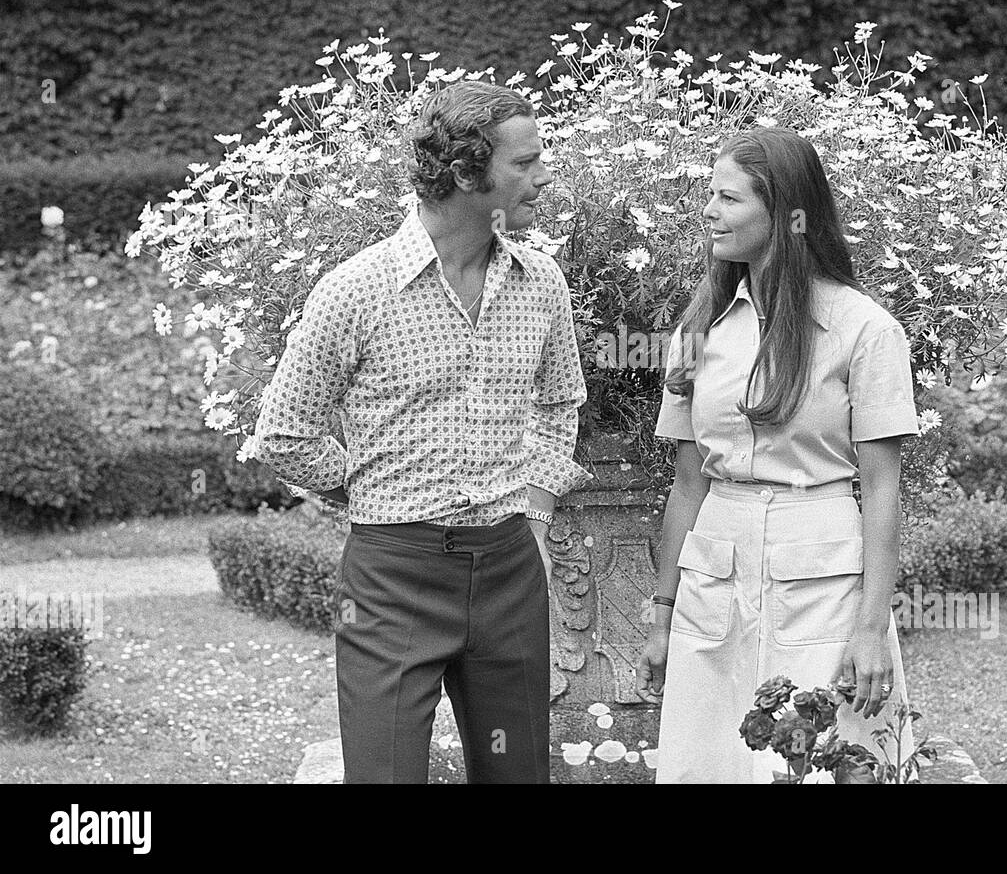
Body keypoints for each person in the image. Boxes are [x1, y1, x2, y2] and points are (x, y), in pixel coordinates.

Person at [253, 81, 590, 784]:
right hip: (391, 582)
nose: (543, 175)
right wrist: (370, 488)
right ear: (467, 173)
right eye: (524, 163)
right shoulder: (357, 289)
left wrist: (536, 510)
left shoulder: (542, 283)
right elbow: (285, 431)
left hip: (508, 570)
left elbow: (560, 404)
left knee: (516, 776)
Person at [635, 125, 921, 784]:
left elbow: (881, 489)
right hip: (714, 584)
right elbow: (687, 486)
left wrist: (872, 629)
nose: (709, 211)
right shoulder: (698, 329)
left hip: (823, 585)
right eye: (710, 194)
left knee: (826, 770)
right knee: (705, 770)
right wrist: (661, 614)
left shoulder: (866, 330)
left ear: (788, 212)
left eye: (729, 199)